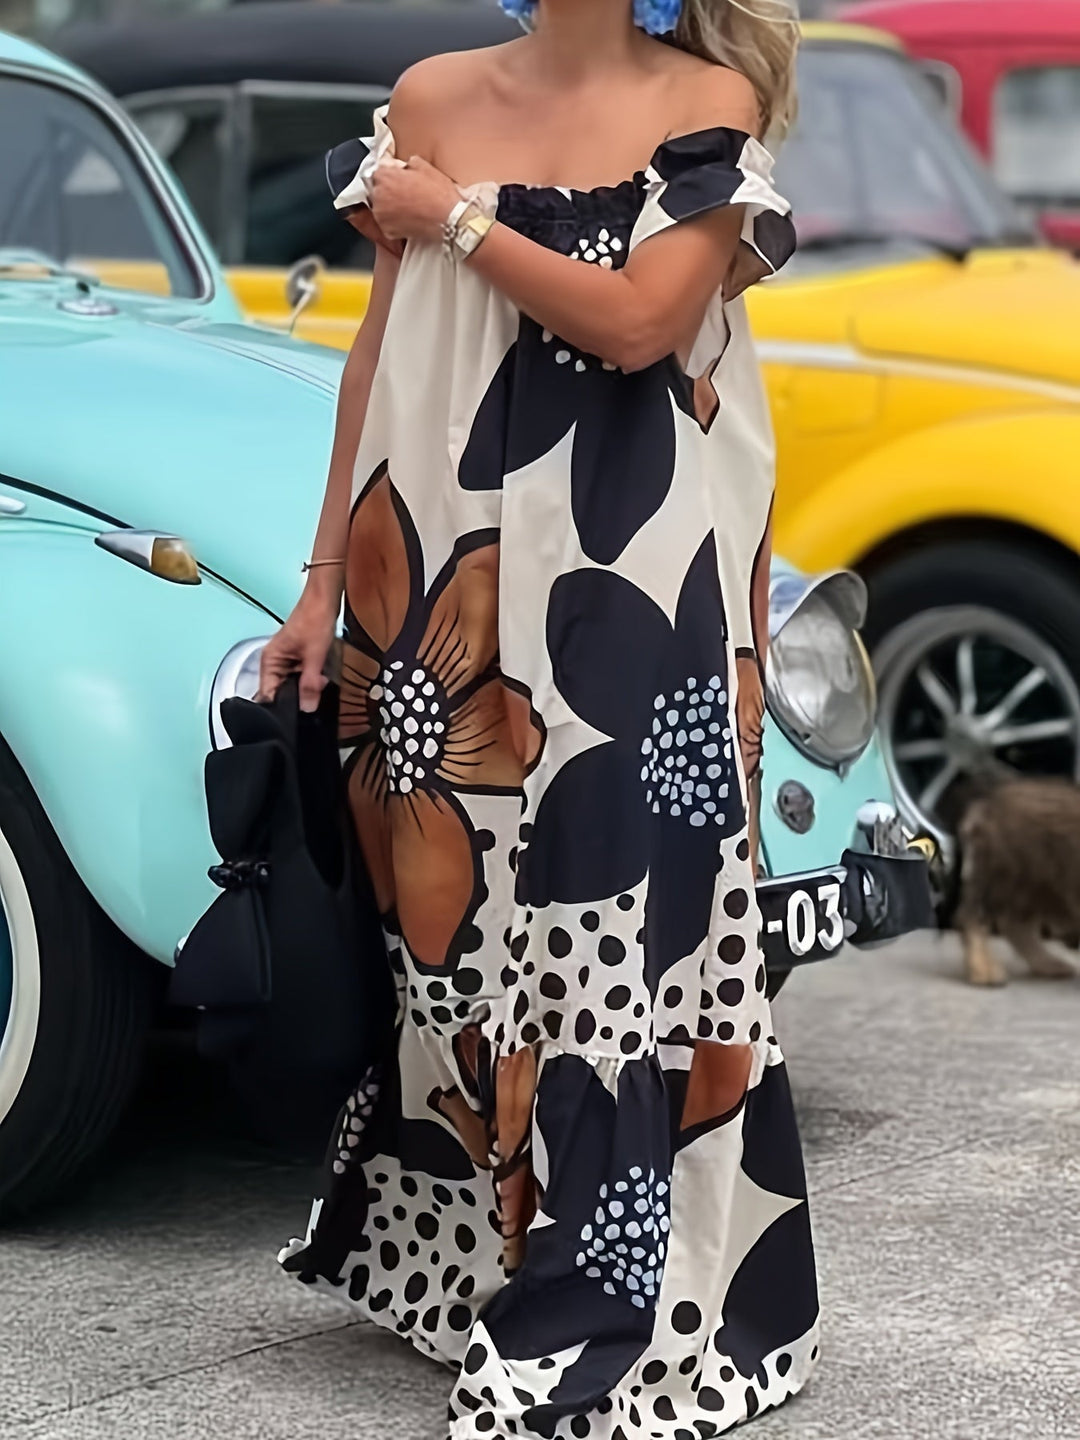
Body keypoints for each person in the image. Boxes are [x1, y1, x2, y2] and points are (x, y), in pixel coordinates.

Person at [268, 1, 820, 1433]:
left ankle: (599, 1299)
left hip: (633, 584)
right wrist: (321, 584)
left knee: (614, 923)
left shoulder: (706, 101)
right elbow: (375, 355)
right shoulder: (431, 93)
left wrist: (452, 215)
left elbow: (640, 324)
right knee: (452, 933)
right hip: (440, 568)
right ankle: (470, 1263)